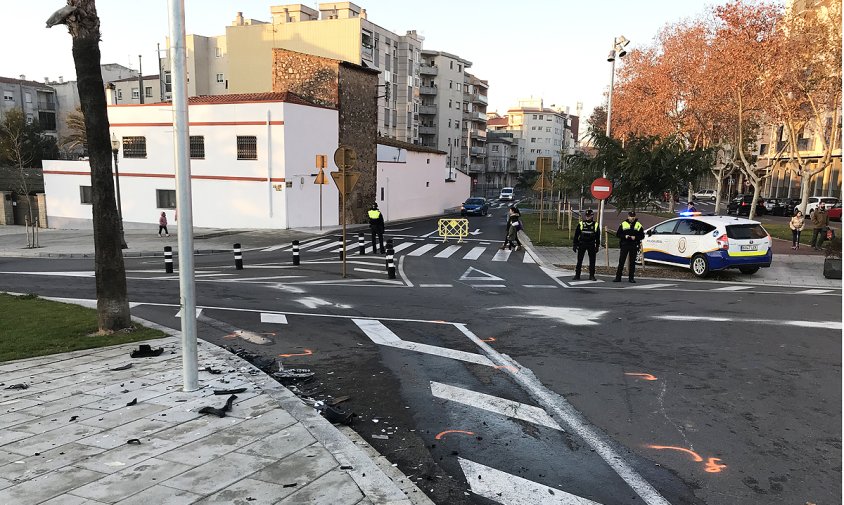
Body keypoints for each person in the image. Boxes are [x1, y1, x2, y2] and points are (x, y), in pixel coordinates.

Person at [614, 211, 644, 283]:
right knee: (621, 261)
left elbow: (642, 236)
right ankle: (618, 277)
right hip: (625, 244)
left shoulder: (638, 225)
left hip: (633, 245)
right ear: (628, 216)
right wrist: (625, 236)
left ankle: (631, 278)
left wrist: (636, 237)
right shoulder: (623, 224)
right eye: (631, 216)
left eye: (633, 216)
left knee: (632, 262)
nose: (632, 218)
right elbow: (618, 234)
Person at [572, 209, 600, 281]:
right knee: (579, 260)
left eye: (589, 216)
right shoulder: (581, 224)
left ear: (592, 216)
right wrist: (575, 244)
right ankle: (577, 275)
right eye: (586, 216)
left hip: (591, 244)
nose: (587, 217)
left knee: (592, 260)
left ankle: (592, 276)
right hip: (582, 244)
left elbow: (597, 236)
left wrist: (597, 246)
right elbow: (576, 235)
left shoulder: (596, 224)